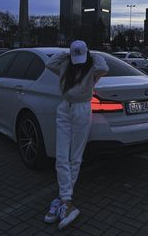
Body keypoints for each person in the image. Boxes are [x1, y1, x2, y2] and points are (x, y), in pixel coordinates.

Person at [44, 40, 109, 230]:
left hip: (82, 109)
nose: (78, 61)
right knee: (61, 156)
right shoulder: (65, 64)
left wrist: (91, 53)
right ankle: (66, 201)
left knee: (75, 157)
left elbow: (103, 67)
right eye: (76, 57)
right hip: (64, 108)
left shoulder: (92, 68)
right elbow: (49, 64)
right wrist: (66, 54)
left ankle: (64, 199)